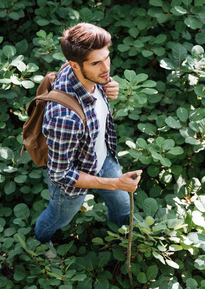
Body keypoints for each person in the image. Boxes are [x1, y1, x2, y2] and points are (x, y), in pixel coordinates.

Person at [34, 23, 142, 248]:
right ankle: (41, 243)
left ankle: (118, 243)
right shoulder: (64, 117)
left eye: (107, 58)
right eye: (96, 63)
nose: (106, 68)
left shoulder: (89, 73)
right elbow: (60, 173)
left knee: (123, 207)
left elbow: (101, 78)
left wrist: (109, 85)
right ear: (74, 65)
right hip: (72, 181)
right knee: (59, 218)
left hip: (101, 156)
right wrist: (114, 183)